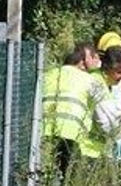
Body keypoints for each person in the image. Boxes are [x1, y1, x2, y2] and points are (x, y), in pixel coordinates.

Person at [39, 42, 105, 173]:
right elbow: (104, 114)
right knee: (66, 179)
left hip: (42, 132)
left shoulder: (47, 75)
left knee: (43, 174)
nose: (98, 61)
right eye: (94, 57)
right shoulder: (90, 80)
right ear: (85, 58)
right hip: (71, 135)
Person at [81, 46, 121, 159]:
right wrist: (116, 138)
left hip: (109, 150)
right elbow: (103, 119)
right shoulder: (94, 81)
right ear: (106, 68)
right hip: (89, 149)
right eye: (119, 72)